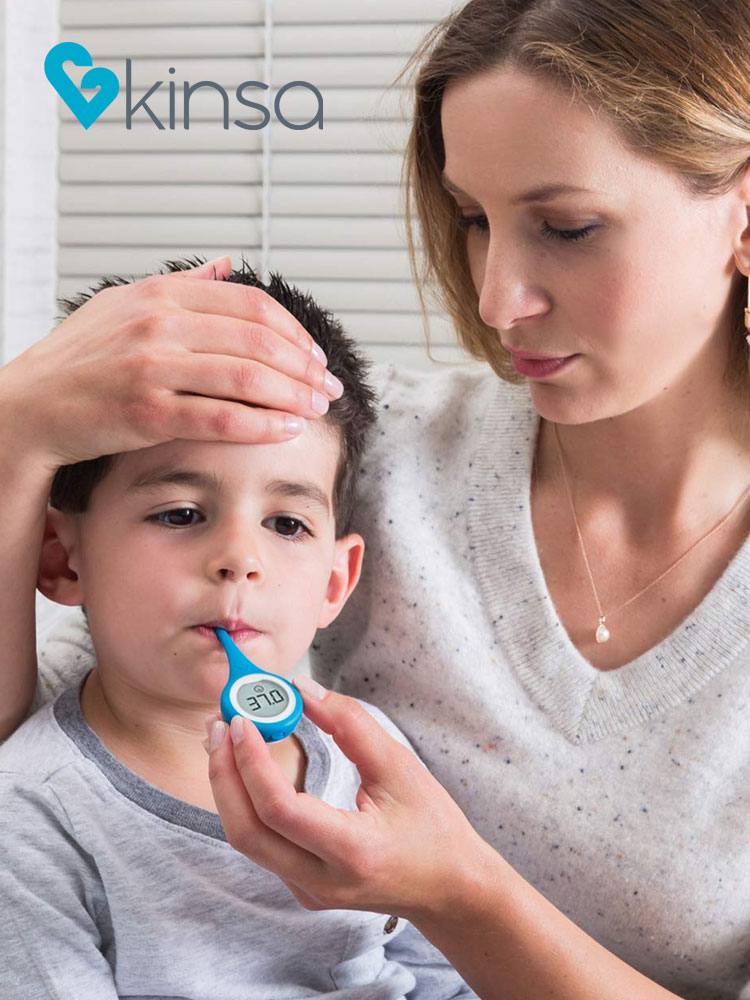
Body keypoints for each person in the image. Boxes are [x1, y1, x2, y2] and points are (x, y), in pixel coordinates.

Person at [2, 0, 750, 997]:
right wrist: (16, 431)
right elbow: (51, 727)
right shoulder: (353, 453)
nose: (495, 300)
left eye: (565, 227)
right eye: (473, 220)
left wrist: (464, 895)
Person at [0, 261, 477, 1000]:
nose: (238, 560)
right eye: (180, 513)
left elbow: (442, 965)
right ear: (62, 559)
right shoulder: (32, 812)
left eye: (286, 523)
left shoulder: (365, 752)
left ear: (332, 584)